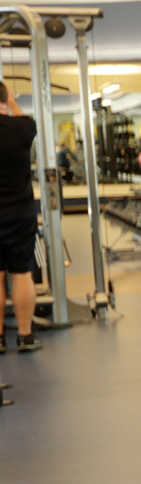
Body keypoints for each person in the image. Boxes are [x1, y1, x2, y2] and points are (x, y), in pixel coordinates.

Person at [0, 81, 42, 353]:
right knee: (22, 273)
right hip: (20, 213)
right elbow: (21, 115)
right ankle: (25, 336)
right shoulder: (23, 128)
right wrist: (10, 98)